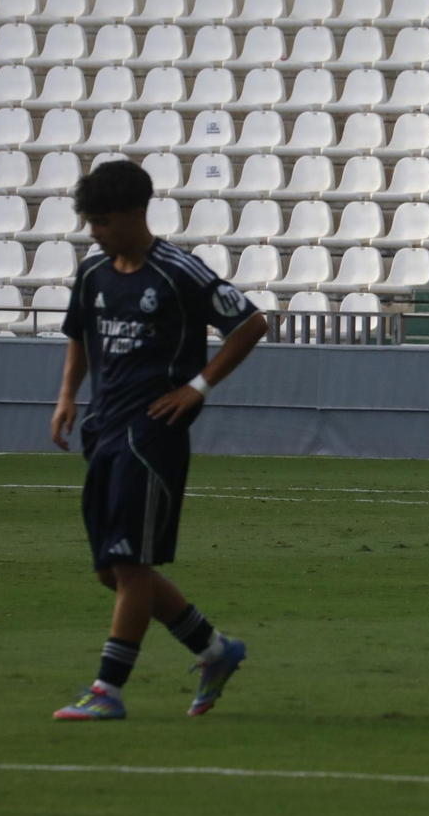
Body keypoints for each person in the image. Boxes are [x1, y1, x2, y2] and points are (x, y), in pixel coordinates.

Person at [49, 160, 267, 721]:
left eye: (100, 220)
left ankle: (108, 690)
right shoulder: (94, 272)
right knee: (113, 570)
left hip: (154, 433)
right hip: (104, 428)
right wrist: (68, 397)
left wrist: (197, 386)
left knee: (130, 564)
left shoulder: (177, 271)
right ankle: (215, 651)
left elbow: (249, 324)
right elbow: (79, 336)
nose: (93, 230)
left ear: (133, 215)